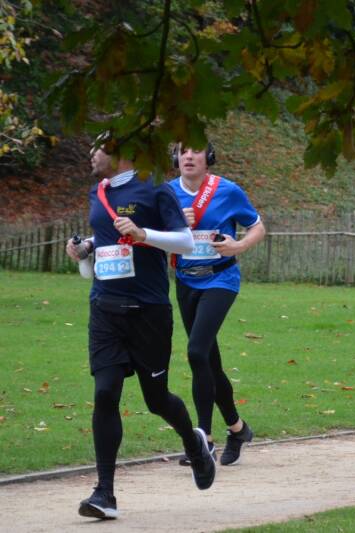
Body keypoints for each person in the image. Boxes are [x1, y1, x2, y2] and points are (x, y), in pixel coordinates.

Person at [66, 136, 216, 520]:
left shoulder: (155, 191)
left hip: (148, 311)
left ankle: (195, 445)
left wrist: (144, 233)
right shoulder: (96, 192)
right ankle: (104, 494)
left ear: (121, 154)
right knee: (105, 393)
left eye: (98, 148)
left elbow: (184, 242)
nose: (91, 154)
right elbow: (102, 255)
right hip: (105, 310)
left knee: (156, 399)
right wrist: (83, 253)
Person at [168, 143, 265, 467]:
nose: (189, 157)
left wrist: (239, 245)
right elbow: (150, 233)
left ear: (208, 158)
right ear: (176, 158)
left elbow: (257, 226)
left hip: (220, 280)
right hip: (185, 280)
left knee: (196, 352)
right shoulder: (167, 193)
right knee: (209, 361)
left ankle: (203, 440)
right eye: (183, 151)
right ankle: (237, 428)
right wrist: (174, 222)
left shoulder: (227, 190)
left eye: (196, 151)